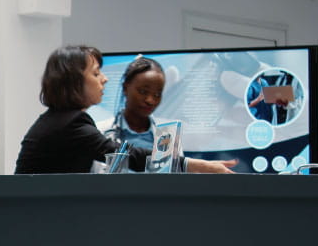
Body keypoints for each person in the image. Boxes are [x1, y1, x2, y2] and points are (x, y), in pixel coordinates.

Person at [14, 45, 235, 175]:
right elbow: (125, 156)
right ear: (74, 81)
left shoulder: (58, 120)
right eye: (96, 73)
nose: (104, 78)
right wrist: (199, 165)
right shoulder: (72, 123)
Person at [99, 56, 172, 152]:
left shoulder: (167, 134)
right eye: (143, 92)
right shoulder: (101, 131)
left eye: (157, 94)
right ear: (125, 88)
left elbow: (178, 166)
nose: (150, 100)